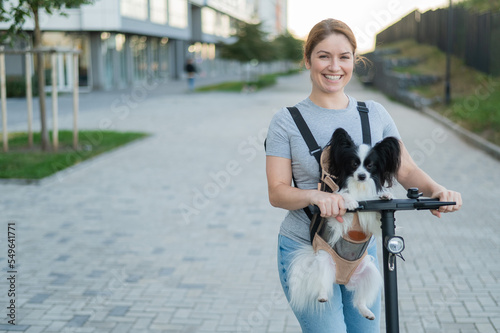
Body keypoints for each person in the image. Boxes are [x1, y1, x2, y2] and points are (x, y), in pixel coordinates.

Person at [265, 18, 462, 333]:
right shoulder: (286, 122)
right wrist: (316, 196)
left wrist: (438, 190)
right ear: (307, 60)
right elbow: (277, 191)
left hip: (360, 249)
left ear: (354, 60)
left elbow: (406, 169)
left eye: (344, 57)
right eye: (323, 56)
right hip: (306, 247)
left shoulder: (374, 115)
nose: (334, 66)